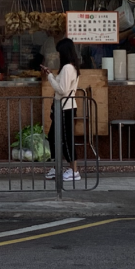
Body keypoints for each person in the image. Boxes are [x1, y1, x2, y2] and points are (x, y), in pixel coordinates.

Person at [40, 38, 81, 182]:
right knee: (53, 137)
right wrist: (51, 74)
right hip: (63, 107)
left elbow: (62, 90)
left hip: (66, 107)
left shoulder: (67, 68)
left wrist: (50, 77)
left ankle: (74, 170)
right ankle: (57, 166)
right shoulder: (70, 67)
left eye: (59, 53)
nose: (58, 56)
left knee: (65, 139)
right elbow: (63, 84)